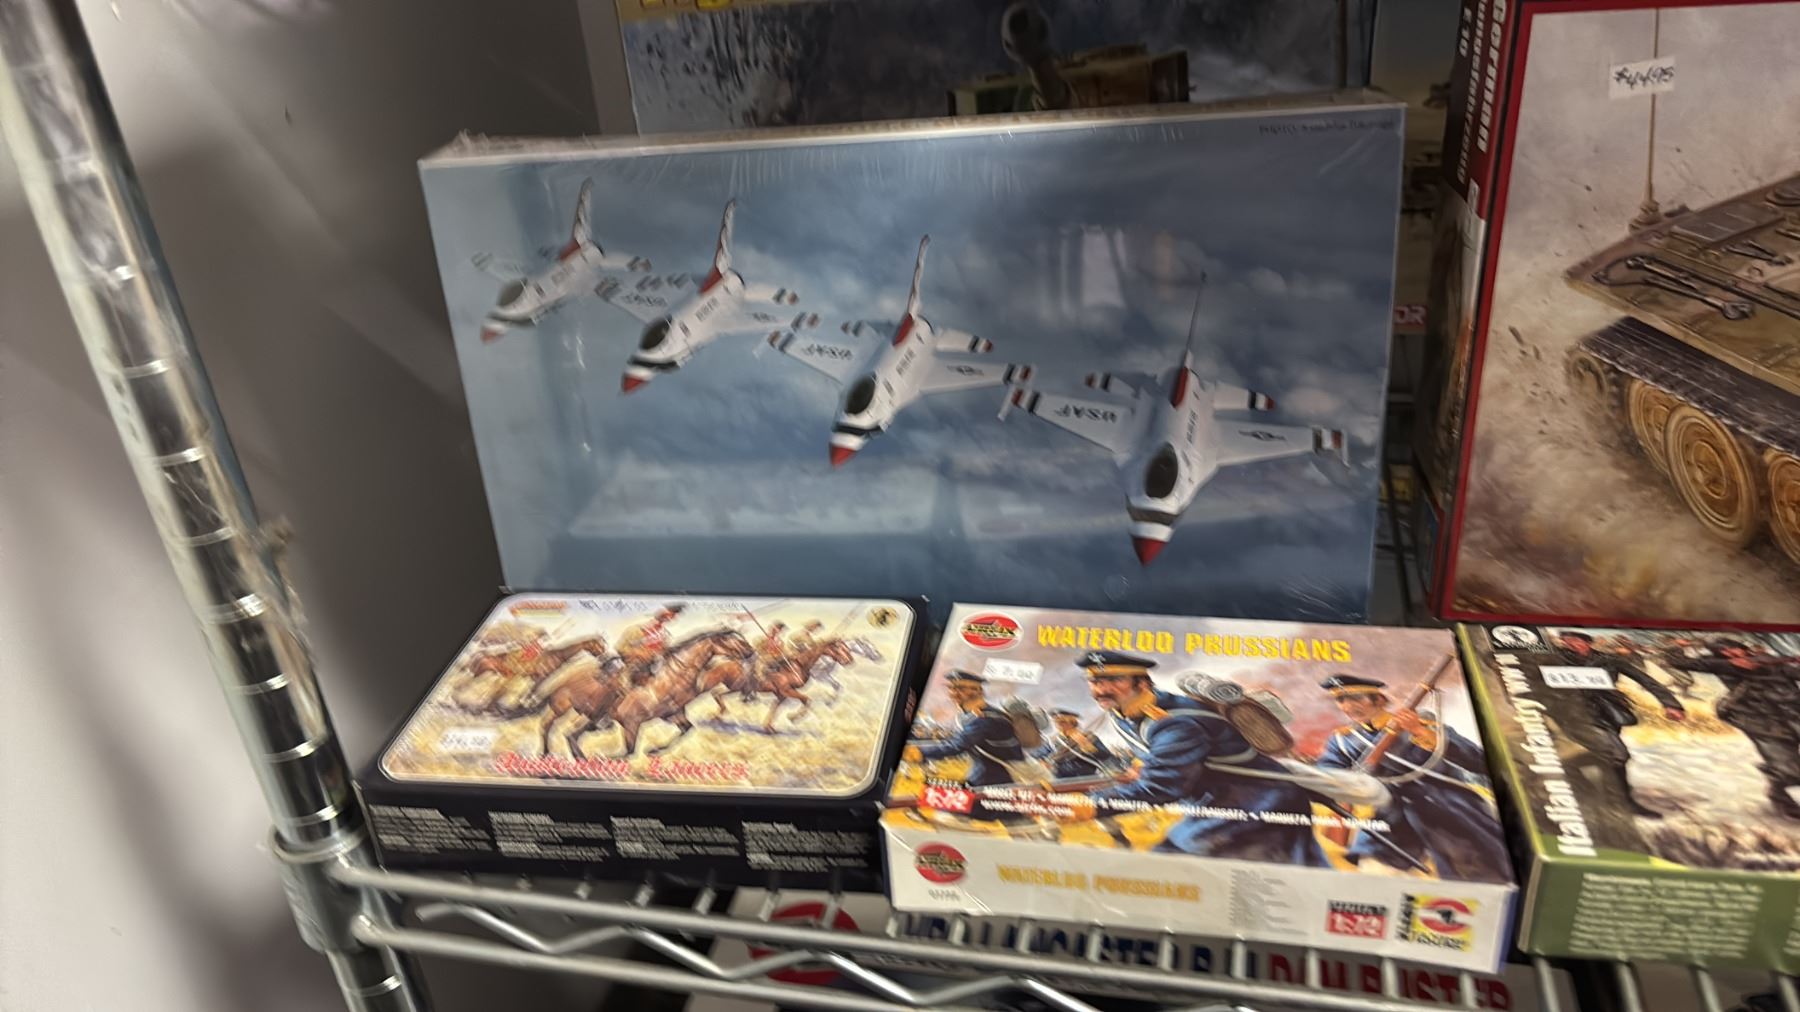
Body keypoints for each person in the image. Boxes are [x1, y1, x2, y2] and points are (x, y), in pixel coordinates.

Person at [1069, 651, 1326, 865]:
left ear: (1142, 684)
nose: (1102, 690)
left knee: (1174, 864)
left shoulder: (1176, 723)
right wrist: (1141, 765)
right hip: (1225, 801)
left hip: (1258, 802)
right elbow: (1155, 754)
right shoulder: (1122, 712)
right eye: (1095, 682)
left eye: (1115, 680)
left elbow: (1164, 786)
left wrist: (1093, 805)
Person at [1313, 675, 1510, 880]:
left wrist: (1418, 731)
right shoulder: (1343, 740)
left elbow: (1477, 761)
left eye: (1356, 698)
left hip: (1448, 805)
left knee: (1478, 868)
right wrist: (1349, 784)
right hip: (1390, 814)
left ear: (1379, 700)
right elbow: (1327, 773)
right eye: (1341, 700)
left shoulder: (1424, 722)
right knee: (1374, 869)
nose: (1348, 707)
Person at [1546, 631, 1686, 819]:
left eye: (1576, 640)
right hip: (1572, 712)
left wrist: (1670, 703)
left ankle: (1616, 800)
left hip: (1606, 711)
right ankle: (1614, 800)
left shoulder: (1610, 660)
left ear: (1587, 642)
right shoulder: (1556, 657)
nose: (1571, 644)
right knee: (1617, 754)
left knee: (1611, 756)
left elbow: (1645, 680)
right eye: (1567, 640)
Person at [1672, 638, 1800, 819]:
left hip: (1792, 713)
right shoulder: (1722, 664)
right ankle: (1779, 794)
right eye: (1723, 651)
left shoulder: (1770, 661)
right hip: (1758, 719)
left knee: (1788, 763)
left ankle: (1777, 778)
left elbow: (1793, 672)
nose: (1729, 653)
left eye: (1732, 649)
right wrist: (1677, 647)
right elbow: (1677, 662)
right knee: (1788, 766)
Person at [902, 671, 1024, 788]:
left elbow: (958, 745)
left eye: (961, 688)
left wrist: (920, 752)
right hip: (984, 774)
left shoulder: (985, 718)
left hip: (997, 778)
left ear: (978, 691)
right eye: (951, 688)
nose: (954, 693)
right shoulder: (969, 715)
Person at [1033, 709, 1116, 781]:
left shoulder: (1088, 737)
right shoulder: (1052, 741)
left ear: (1072, 722)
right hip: (1062, 779)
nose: (1059, 725)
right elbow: (1038, 756)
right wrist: (1042, 762)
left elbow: (1106, 756)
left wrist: (1091, 749)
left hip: (1089, 777)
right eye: (1057, 722)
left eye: (1063, 722)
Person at [616, 604, 683, 685]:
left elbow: (662, 652)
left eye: (671, 617)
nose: (669, 618)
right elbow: (620, 648)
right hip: (632, 668)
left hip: (652, 669)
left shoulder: (664, 635)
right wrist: (639, 653)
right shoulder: (635, 630)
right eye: (667, 615)